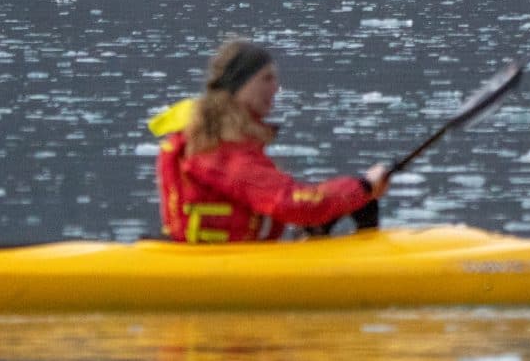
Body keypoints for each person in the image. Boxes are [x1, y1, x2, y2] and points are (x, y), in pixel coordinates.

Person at [150, 38, 388, 243]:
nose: (275, 88)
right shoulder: (217, 148)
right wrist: (362, 187)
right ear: (239, 86)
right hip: (216, 267)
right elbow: (287, 202)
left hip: (228, 258)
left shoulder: (219, 137)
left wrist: (342, 203)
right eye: (266, 78)